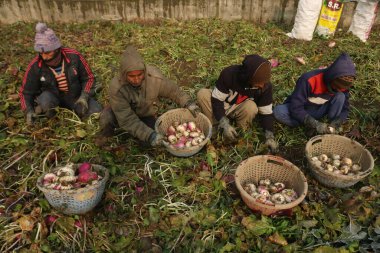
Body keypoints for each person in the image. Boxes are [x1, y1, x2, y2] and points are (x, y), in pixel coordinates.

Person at [98, 45, 199, 147]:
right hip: (122, 115)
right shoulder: (116, 88)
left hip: (144, 114)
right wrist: (149, 135)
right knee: (107, 117)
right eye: (131, 76)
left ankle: (135, 133)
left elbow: (174, 91)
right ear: (124, 75)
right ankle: (106, 136)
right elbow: (127, 119)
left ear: (144, 72)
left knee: (147, 143)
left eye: (140, 75)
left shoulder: (154, 78)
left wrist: (188, 103)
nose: (136, 80)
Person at [19, 23, 102, 125]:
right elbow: (25, 92)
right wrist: (28, 110)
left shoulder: (74, 57)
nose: (45, 57)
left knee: (96, 111)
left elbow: (89, 78)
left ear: (57, 49)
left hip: (75, 95)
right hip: (52, 96)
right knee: (46, 102)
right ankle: (47, 112)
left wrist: (84, 96)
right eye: (42, 53)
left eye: (48, 52)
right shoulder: (35, 66)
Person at [197, 54, 279, 153]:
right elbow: (217, 100)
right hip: (223, 104)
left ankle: (240, 134)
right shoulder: (229, 74)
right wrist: (224, 123)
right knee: (203, 94)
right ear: (249, 78)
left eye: (264, 83)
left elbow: (266, 113)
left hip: (239, 107)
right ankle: (214, 127)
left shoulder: (265, 87)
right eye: (258, 82)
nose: (261, 85)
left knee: (251, 107)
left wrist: (269, 136)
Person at [273, 52, 356, 134]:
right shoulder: (309, 80)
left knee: (341, 96)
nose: (338, 89)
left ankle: (330, 125)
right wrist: (314, 124)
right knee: (278, 111)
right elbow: (295, 107)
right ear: (330, 78)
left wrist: (338, 121)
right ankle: (306, 124)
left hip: (321, 109)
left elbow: (345, 108)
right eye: (336, 86)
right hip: (304, 109)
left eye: (341, 88)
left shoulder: (342, 86)